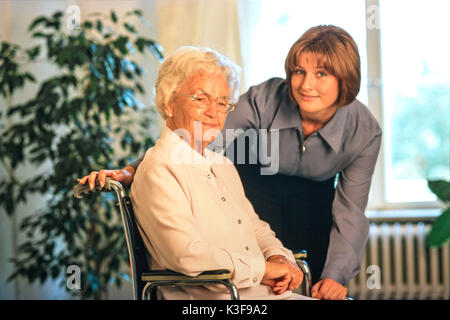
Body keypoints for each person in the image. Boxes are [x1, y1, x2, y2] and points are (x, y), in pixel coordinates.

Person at [79, 25, 382, 300]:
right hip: (258, 183)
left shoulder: (363, 131)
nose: (305, 85)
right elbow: (192, 140)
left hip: (312, 198)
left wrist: (323, 272)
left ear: (345, 80)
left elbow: (350, 211)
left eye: (321, 74)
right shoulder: (263, 103)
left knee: (310, 279)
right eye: (298, 72)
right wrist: (133, 170)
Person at [82, 46, 310, 300]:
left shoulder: (221, 164)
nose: (214, 112)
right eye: (200, 99)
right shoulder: (160, 168)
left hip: (262, 295)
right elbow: (188, 256)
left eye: (223, 102)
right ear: (169, 104)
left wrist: (279, 257)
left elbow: (255, 229)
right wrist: (263, 270)